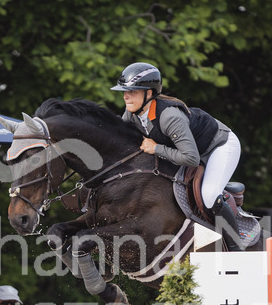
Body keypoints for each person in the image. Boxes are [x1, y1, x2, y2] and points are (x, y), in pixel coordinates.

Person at [111, 61, 260, 248]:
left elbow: (191, 158)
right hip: (191, 149)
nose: (126, 96)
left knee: (209, 195)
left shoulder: (169, 116)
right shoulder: (133, 112)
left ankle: (235, 249)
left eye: (132, 91)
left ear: (149, 93)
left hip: (219, 146)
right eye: (124, 91)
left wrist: (156, 148)